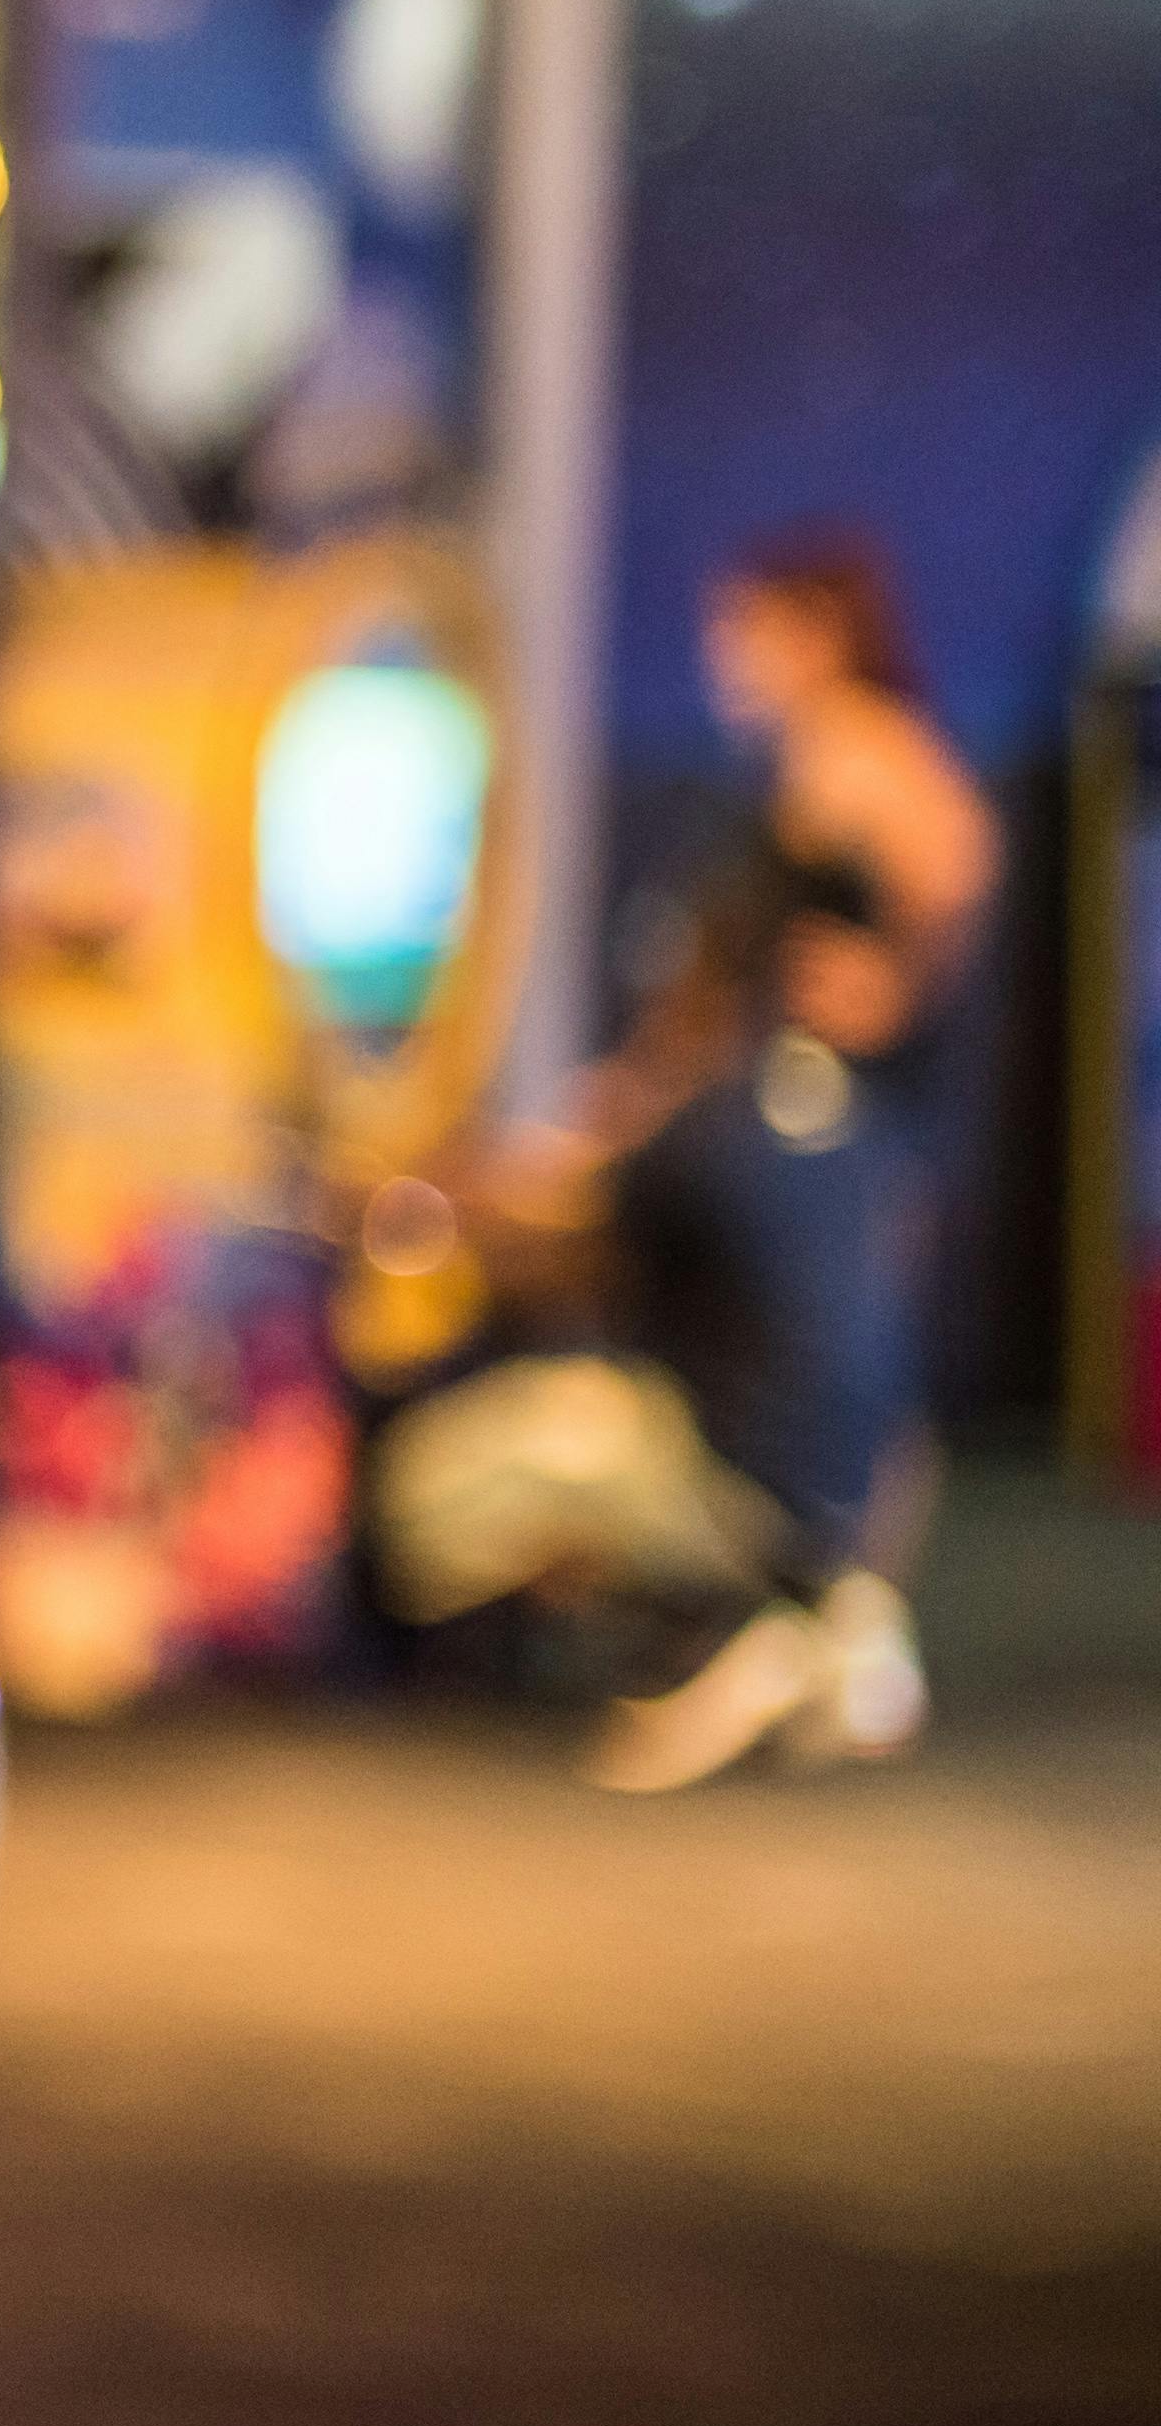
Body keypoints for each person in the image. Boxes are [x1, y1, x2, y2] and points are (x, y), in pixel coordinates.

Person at [387, 526, 993, 1788]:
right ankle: (807, 1621)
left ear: (814, 629)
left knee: (752, 1388)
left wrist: (899, 984)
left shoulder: (853, 751)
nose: (726, 654)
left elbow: (950, 864)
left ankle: (794, 1612)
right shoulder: (800, 784)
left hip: (808, 1146)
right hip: (779, 1150)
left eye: (747, 626)